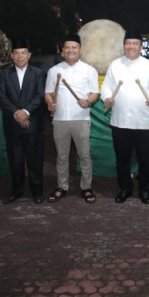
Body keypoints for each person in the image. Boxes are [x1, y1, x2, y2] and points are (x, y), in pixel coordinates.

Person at [101, 29, 149, 204]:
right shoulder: (115, 65)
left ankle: (145, 190)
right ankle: (125, 188)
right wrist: (107, 97)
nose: (131, 46)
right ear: (124, 46)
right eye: (128, 43)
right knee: (122, 158)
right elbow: (106, 86)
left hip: (145, 122)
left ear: (141, 47)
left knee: (146, 159)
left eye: (135, 43)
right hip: (120, 121)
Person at [44, 33, 99, 204]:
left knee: (84, 156)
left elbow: (95, 93)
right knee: (62, 156)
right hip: (60, 119)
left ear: (80, 50)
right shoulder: (54, 71)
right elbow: (48, 93)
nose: (70, 50)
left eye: (74, 47)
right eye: (67, 47)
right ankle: (62, 186)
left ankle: (86, 187)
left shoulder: (89, 70)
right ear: (62, 50)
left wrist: (88, 101)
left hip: (81, 119)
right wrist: (50, 103)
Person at [0, 39, 46, 204]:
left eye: (23, 53)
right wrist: (17, 113)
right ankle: (16, 191)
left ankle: (37, 192)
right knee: (15, 159)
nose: (20, 56)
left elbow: (40, 96)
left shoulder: (38, 73)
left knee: (35, 159)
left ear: (29, 55)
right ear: (11, 55)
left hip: (33, 124)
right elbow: (1, 97)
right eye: (16, 53)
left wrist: (26, 112)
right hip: (12, 124)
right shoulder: (4, 74)